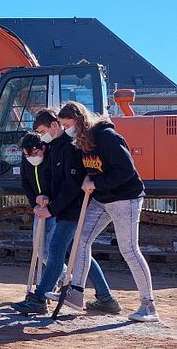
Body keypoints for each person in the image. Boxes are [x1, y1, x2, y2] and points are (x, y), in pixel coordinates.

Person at [58, 101, 158, 322]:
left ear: (79, 120)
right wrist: (88, 178)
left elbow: (125, 171)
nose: (66, 130)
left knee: (129, 249)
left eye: (67, 125)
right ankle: (76, 292)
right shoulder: (82, 141)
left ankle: (148, 306)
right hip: (102, 198)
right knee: (81, 240)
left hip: (125, 198)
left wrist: (97, 183)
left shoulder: (107, 138)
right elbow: (93, 168)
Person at [12, 109, 118, 315]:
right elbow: (53, 180)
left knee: (56, 251)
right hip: (62, 208)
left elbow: (71, 186)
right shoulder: (53, 148)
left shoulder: (70, 148)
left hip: (72, 210)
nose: (42, 136)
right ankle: (105, 297)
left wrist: (51, 208)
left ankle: (40, 297)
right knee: (78, 252)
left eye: (43, 131)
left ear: (54, 126)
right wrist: (45, 194)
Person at [19, 132, 56, 270]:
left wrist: (48, 198)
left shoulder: (52, 156)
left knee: (53, 250)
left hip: (54, 208)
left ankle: (59, 282)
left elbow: (55, 180)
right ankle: (64, 278)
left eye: (34, 154)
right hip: (39, 209)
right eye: (27, 155)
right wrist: (34, 204)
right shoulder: (26, 159)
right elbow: (25, 182)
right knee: (41, 252)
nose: (30, 158)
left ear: (43, 148)